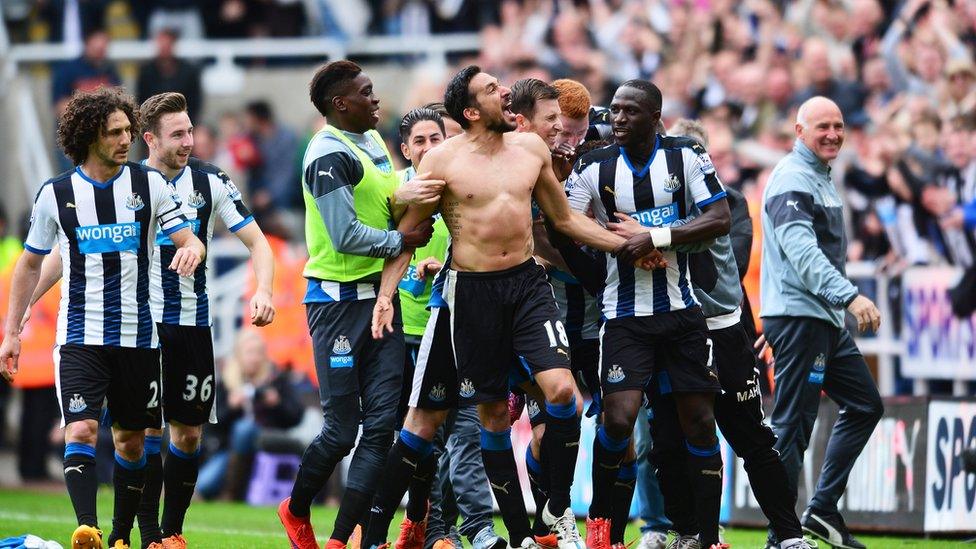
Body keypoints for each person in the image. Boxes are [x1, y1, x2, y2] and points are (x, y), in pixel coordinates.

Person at [363, 65, 648, 549]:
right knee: (492, 416)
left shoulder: (530, 149)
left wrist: (629, 245)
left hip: (526, 287)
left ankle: (557, 506)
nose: (505, 92)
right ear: (472, 111)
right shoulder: (442, 163)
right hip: (471, 294)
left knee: (562, 394)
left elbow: (564, 221)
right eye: (493, 90)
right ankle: (501, 535)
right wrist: (386, 295)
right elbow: (408, 235)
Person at [0, 87, 205, 549]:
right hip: (80, 336)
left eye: (129, 131)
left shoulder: (149, 185)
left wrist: (192, 250)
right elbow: (31, 263)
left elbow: (188, 239)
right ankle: (86, 527)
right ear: (90, 136)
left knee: (132, 443)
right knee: (82, 428)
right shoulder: (56, 194)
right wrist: (12, 331)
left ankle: (119, 535)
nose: (125, 140)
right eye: (115, 132)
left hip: (137, 338)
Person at [614, 118, 814, 549]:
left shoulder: (726, 205)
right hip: (668, 335)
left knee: (753, 439)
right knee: (666, 442)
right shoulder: (643, 204)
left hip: (723, 331)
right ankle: (685, 531)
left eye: (697, 157)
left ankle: (789, 534)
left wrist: (652, 237)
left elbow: (732, 264)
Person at [564, 80, 731, 549]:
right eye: (614, 111)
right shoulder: (594, 166)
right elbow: (565, 224)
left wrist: (655, 238)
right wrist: (618, 248)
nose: (617, 119)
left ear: (654, 116)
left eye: (629, 112)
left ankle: (708, 537)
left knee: (698, 421)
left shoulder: (686, 156)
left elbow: (719, 218)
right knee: (618, 420)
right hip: (623, 317)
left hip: (681, 313)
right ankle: (604, 531)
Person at [276, 60, 434, 549]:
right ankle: (296, 508)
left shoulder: (372, 142)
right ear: (340, 103)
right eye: (366, 92)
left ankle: (343, 541)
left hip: (379, 304)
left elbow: (384, 202)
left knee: (383, 427)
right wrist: (400, 239)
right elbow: (345, 235)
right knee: (343, 430)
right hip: (337, 303)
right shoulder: (326, 154)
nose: (376, 98)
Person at [133, 91, 276, 549]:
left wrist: (265, 290)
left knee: (189, 432)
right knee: (147, 429)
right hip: (141, 323)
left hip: (193, 324)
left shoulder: (211, 181)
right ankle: (150, 533)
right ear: (149, 139)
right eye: (178, 134)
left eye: (191, 131)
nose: (189, 141)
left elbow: (259, 243)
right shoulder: (127, 184)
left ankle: (173, 531)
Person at [760, 96, 884, 549]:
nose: (832, 133)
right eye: (821, 127)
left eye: (838, 125)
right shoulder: (793, 177)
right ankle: (782, 535)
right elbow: (802, 253)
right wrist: (849, 296)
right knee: (792, 426)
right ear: (799, 132)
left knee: (866, 404)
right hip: (802, 317)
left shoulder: (820, 177)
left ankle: (822, 509)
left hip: (819, 319)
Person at [390, 107, 503, 549]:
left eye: (435, 138)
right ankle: (431, 529)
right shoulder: (396, 193)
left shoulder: (461, 187)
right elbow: (384, 251)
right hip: (408, 332)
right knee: (426, 439)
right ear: (405, 149)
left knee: (466, 435)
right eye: (418, 141)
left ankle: (472, 528)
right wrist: (414, 274)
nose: (428, 147)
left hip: (461, 326)